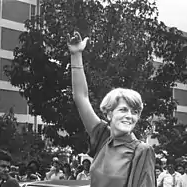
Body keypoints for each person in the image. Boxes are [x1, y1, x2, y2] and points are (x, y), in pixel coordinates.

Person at [67, 31, 155, 187]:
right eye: (123, 110)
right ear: (108, 113)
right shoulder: (102, 137)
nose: (130, 116)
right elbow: (81, 98)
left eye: (135, 112)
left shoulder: (142, 151)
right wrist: (76, 54)